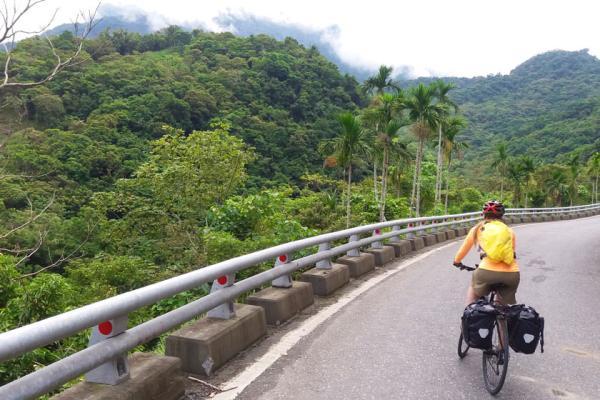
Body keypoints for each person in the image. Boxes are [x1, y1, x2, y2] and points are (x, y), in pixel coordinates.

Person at [453, 200, 520, 306]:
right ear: (502, 215)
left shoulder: (477, 229)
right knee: (503, 308)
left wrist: (457, 261)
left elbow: (463, 250)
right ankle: (503, 320)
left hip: (486, 272)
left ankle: (469, 317)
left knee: (472, 301)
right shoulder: (509, 231)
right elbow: (511, 253)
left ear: (483, 215)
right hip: (511, 274)